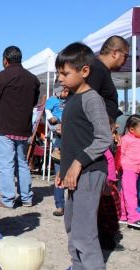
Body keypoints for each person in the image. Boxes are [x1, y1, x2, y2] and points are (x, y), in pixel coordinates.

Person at [55, 42, 111, 270]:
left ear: (84, 71)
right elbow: (76, 138)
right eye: (59, 73)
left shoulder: (92, 99)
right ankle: (78, 266)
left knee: (84, 231)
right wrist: (64, 166)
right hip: (75, 173)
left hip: (89, 171)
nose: (60, 78)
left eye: (65, 73)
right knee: (71, 225)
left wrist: (77, 163)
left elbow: (104, 137)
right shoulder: (73, 98)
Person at [86, 35, 129, 251]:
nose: (125, 61)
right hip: (95, 142)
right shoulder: (96, 70)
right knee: (101, 189)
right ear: (115, 52)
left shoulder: (100, 71)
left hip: (100, 138)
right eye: (125, 55)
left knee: (103, 189)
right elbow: (88, 104)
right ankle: (99, 236)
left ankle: (103, 235)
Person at [0, 46, 40, 208]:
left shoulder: (1, 77)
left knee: (6, 165)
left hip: (4, 127)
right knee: (22, 163)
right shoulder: (33, 79)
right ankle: (27, 198)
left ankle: (8, 199)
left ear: (5, 60)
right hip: (23, 128)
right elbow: (34, 102)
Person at [45, 86, 70, 216]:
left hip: (72, 138)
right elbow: (49, 114)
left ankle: (72, 206)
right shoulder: (52, 101)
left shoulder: (72, 100)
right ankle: (60, 205)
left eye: (68, 91)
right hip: (59, 140)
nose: (66, 93)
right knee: (59, 174)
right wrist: (54, 124)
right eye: (64, 91)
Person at [118, 115, 140, 228]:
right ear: (132, 129)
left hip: (135, 170)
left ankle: (123, 216)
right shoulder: (126, 139)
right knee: (131, 193)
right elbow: (120, 153)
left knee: (125, 193)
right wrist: (117, 168)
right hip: (128, 169)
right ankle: (134, 218)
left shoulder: (138, 139)